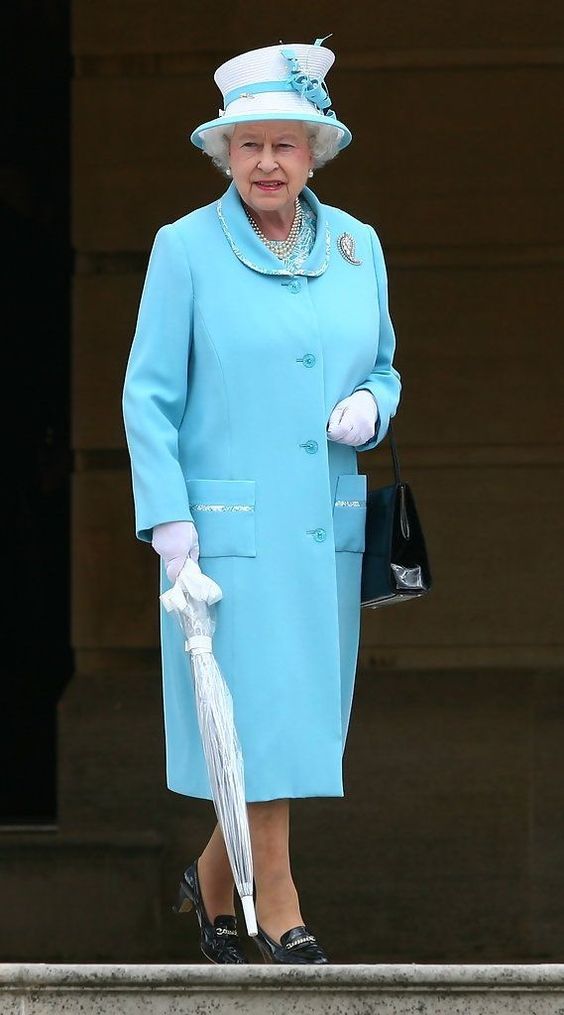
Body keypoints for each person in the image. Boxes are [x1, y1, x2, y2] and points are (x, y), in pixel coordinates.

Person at [122, 37, 401, 965]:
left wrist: (374, 404)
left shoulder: (360, 247)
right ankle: (272, 901)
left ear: (316, 151)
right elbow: (148, 394)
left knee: (290, 717)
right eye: (249, 146)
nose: (268, 163)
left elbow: (387, 366)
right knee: (250, 718)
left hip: (323, 522)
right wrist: (166, 517)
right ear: (223, 154)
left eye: (287, 144)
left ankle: (210, 881)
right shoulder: (186, 249)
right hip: (222, 536)